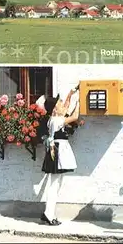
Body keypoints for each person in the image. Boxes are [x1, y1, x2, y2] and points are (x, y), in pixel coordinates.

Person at [39, 88, 79, 226]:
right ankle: (49, 215)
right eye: (59, 103)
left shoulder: (54, 118)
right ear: (55, 109)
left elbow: (66, 108)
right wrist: (79, 103)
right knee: (54, 185)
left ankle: (48, 213)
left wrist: (70, 94)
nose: (63, 105)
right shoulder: (56, 120)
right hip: (57, 151)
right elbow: (74, 117)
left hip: (56, 150)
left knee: (55, 184)